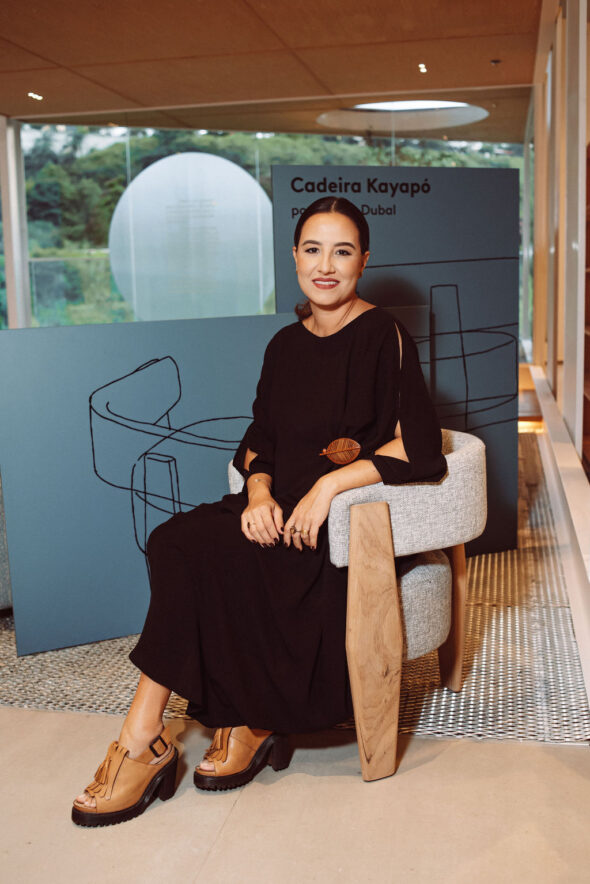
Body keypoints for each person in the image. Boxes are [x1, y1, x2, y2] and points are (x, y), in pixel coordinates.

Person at [72, 196, 446, 827]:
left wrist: (328, 489)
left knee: (221, 558)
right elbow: (259, 439)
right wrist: (259, 494)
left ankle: (150, 740)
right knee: (174, 541)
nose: (325, 265)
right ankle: (205, 724)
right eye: (312, 250)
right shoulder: (284, 345)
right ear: (294, 256)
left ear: (364, 260)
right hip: (276, 509)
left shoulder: (384, 335)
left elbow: (422, 449)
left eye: (342, 251)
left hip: (333, 530)